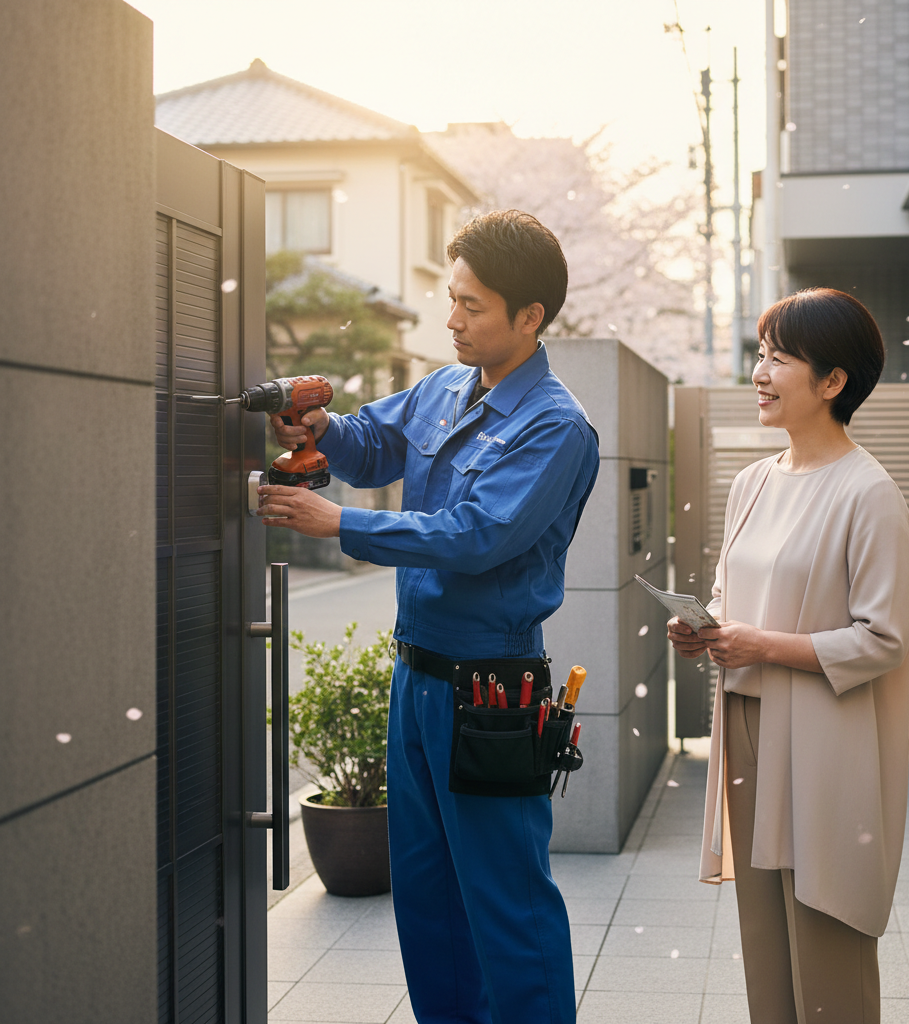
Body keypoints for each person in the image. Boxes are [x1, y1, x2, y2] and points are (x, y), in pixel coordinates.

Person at [258, 209, 599, 1024]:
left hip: (492, 688)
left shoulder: (557, 425)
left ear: (530, 317)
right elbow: (371, 443)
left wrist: (339, 522)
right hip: (417, 679)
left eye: (471, 306)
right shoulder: (446, 385)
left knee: (506, 905)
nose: (451, 320)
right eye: (452, 299)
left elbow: (478, 535)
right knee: (427, 897)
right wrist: (320, 428)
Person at [669, 288, 909, 1024]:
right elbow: (727, 597)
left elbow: (882, 639)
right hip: (745, 725)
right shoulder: (751, 482)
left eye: (780, 357)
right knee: (763, 936)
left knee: (825, 929)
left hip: (822, 739)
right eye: (759, 354)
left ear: (834, 382)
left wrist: (759, 643)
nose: (760, 372)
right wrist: (703, 630)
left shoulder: (869, 492)